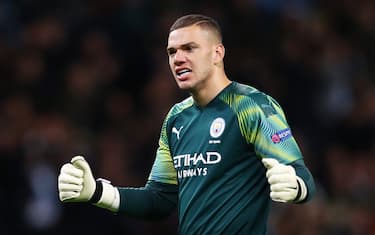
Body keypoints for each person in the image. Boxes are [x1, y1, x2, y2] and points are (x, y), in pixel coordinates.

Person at [58, 14, 316, 235]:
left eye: (189, 48)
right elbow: (159, 200)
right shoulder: (176, 118)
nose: (177, 58)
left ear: (217, 53)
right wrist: (97, 192)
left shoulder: (251, 106)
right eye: (172, 52)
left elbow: (302, 176)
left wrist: (295, 186)